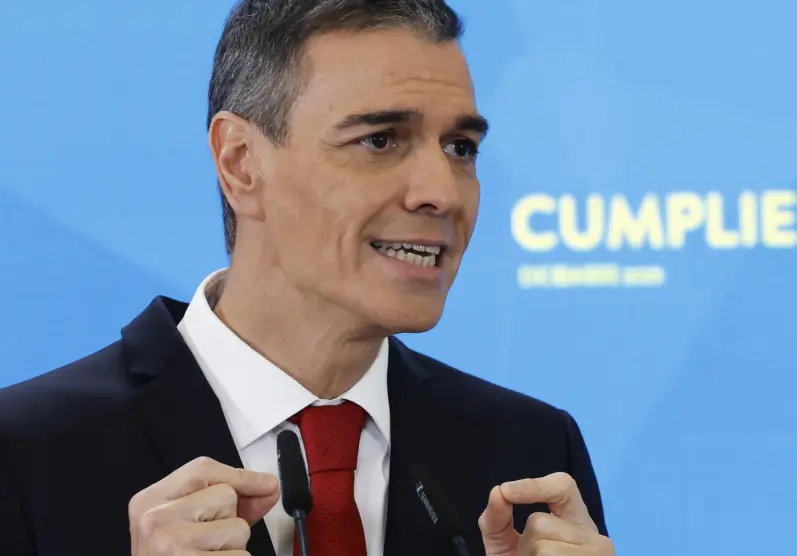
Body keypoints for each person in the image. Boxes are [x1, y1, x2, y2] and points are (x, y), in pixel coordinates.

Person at [0, 1, 615, 555]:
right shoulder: (26, 454)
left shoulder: (531, 452)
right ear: (241, 164)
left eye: (460, 148)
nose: (442, 193)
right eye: (380, 140)